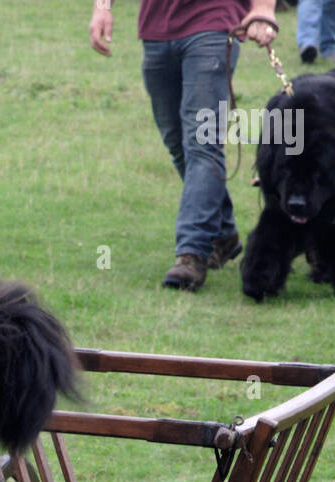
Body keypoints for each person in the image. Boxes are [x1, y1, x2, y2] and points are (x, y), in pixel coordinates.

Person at [89, 0, 278, 290]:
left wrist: (264, 9)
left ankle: (191, 253)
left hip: (213, 27)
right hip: (156, 32)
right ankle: (223, 233)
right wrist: (102, 7)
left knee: (202, 144)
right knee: (177, 143)